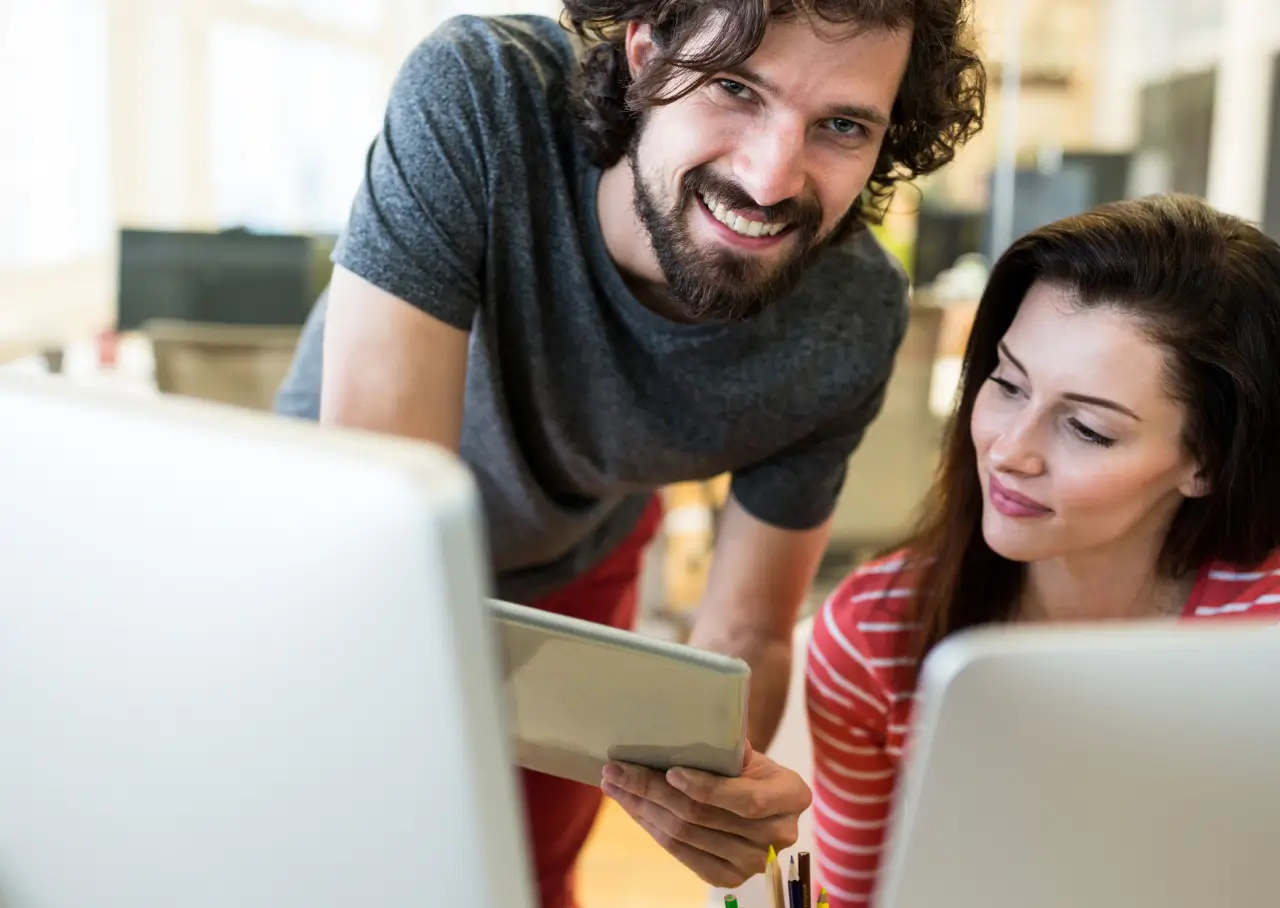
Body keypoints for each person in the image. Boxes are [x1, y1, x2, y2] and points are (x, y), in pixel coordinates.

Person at [274, 1, 985, 904]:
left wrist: (717, 797)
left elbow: (748, 634)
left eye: (841, 125)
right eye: (733, 88)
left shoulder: (851, 318)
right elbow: (383, 535)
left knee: (519, 880)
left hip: (573, 559)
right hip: (331, 547)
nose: (771, 178)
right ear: (645, 57)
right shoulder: (486, 96)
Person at [805, 193, 1280, 907]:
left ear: (1206, 462)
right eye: (1005, 383)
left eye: (1087, 428)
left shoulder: (1263, 637)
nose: (1009, 450)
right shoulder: (875, 637)